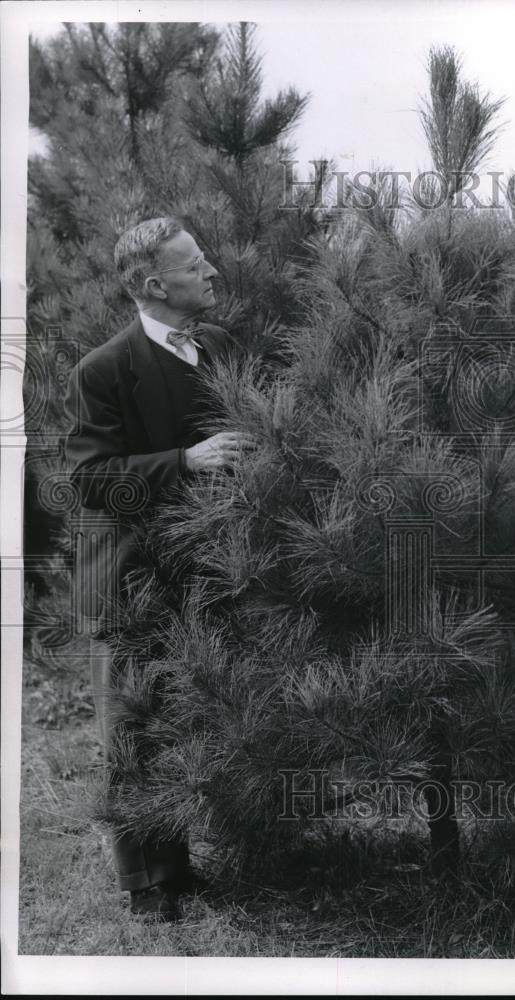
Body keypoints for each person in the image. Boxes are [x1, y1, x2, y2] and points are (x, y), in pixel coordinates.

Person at [63, 217, 255, 920]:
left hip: (200, 567)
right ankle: (148, 889)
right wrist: (186, 462)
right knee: (135, 731)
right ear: (154, 285)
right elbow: (90, 479)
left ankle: (183, 868)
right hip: (130, 577)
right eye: (194, 264)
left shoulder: (219, 348)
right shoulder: (104, 370)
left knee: (183, 720)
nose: (210, 270)